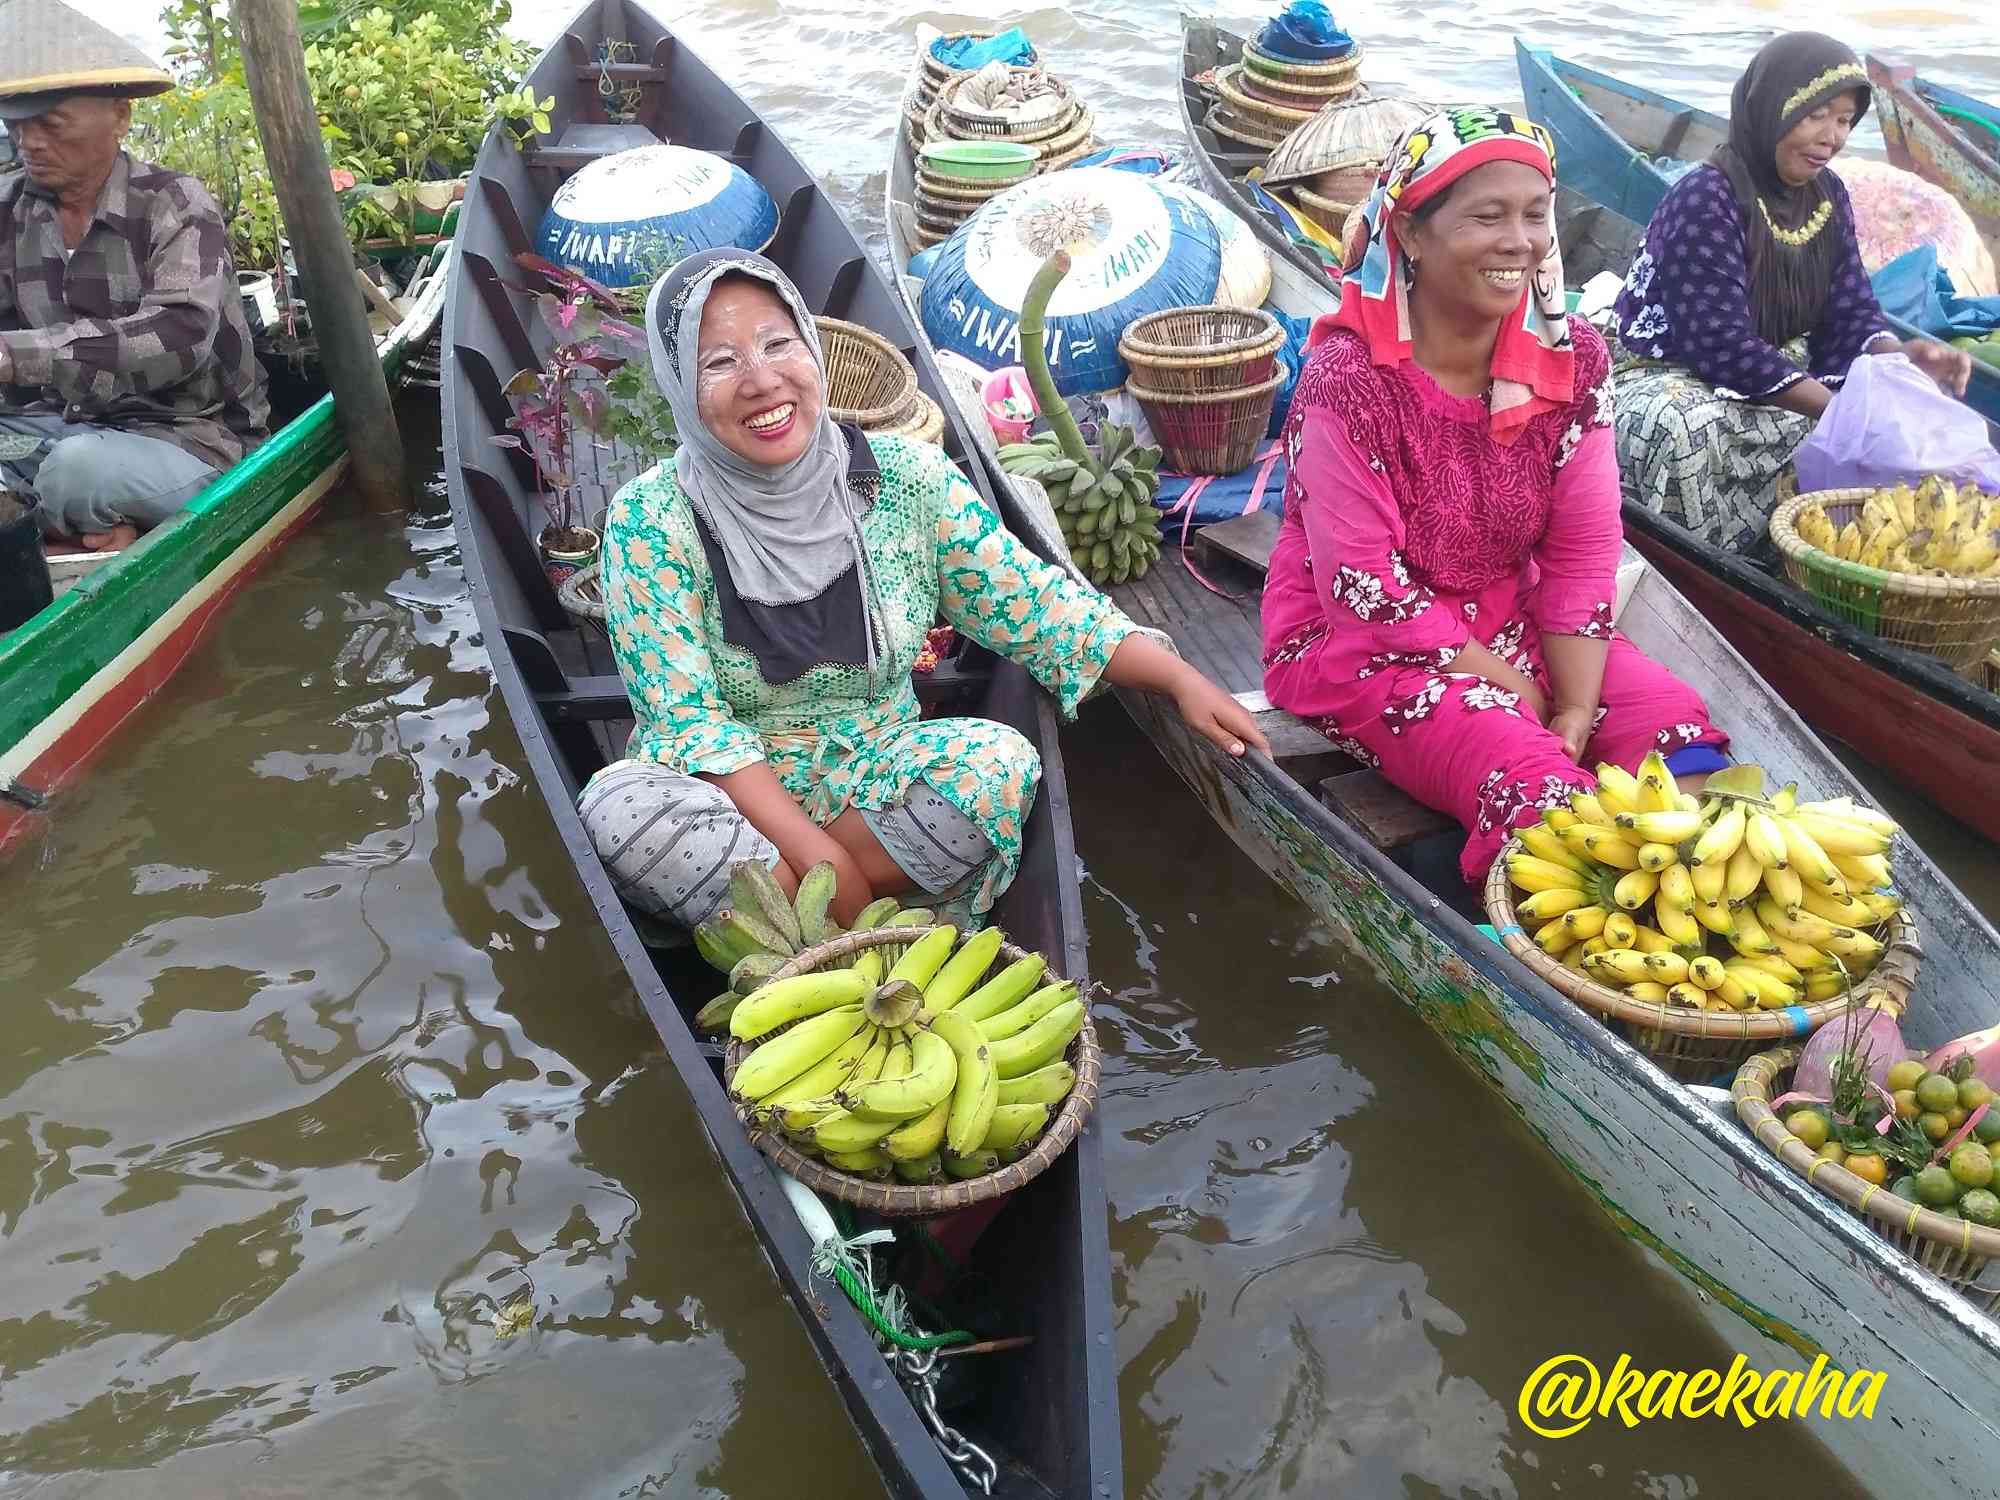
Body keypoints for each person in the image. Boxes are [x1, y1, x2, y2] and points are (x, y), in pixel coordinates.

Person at [578, 248, 1266, 929]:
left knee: (998, 766)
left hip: (873, 774)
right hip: (730, 801)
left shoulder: (907, 478)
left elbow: (1032, 602)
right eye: (720, 363)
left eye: (776, 344)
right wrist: (828, 863)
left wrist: (1178, 679)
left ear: (813, 350)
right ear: (679, 387)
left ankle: (795, 926)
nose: (762, 380)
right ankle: (855, 915)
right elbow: (688, 725)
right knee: (622, 813)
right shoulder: (651, 518)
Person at [1261, 107, 1730, 884]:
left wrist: (1573, 707)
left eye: (1535, 214)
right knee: (1528, 774)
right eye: (1488, 216)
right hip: (1361, 644)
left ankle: (1709, 916)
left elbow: (1583, 553)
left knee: (1674, 737)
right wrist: (1518, 691)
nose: (1520, 240)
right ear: (1411, 233)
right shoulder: (1348, 379)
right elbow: (1363, 590)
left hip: (1512, 614)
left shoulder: (1572, 357)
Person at [1611, 32, 1971, 553]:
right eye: (1816, 115)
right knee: (1683, 426)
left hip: (1770, 358)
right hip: (1667, 366)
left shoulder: (1828, 196)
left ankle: (1815, 549)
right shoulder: (1706, 197)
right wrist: (1839, 411)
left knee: (1897, 404)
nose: (1833, 137)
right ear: (1772, 108)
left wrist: (1900, 362)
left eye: (1845, 120)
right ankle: (1709, 561)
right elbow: (1719, 344)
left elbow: (1850, 311)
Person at [0, 0, 270, 553]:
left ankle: (65, 526)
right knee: (60, 463)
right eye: (17, 126)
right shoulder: (9, 211)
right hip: (59, 427)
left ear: (120, 117)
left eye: (50, 124)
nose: (29, 143)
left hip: (188, 435)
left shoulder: (175, 203)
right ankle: (81, 529)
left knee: (77, 473)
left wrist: (15, 355)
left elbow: (181, 337)